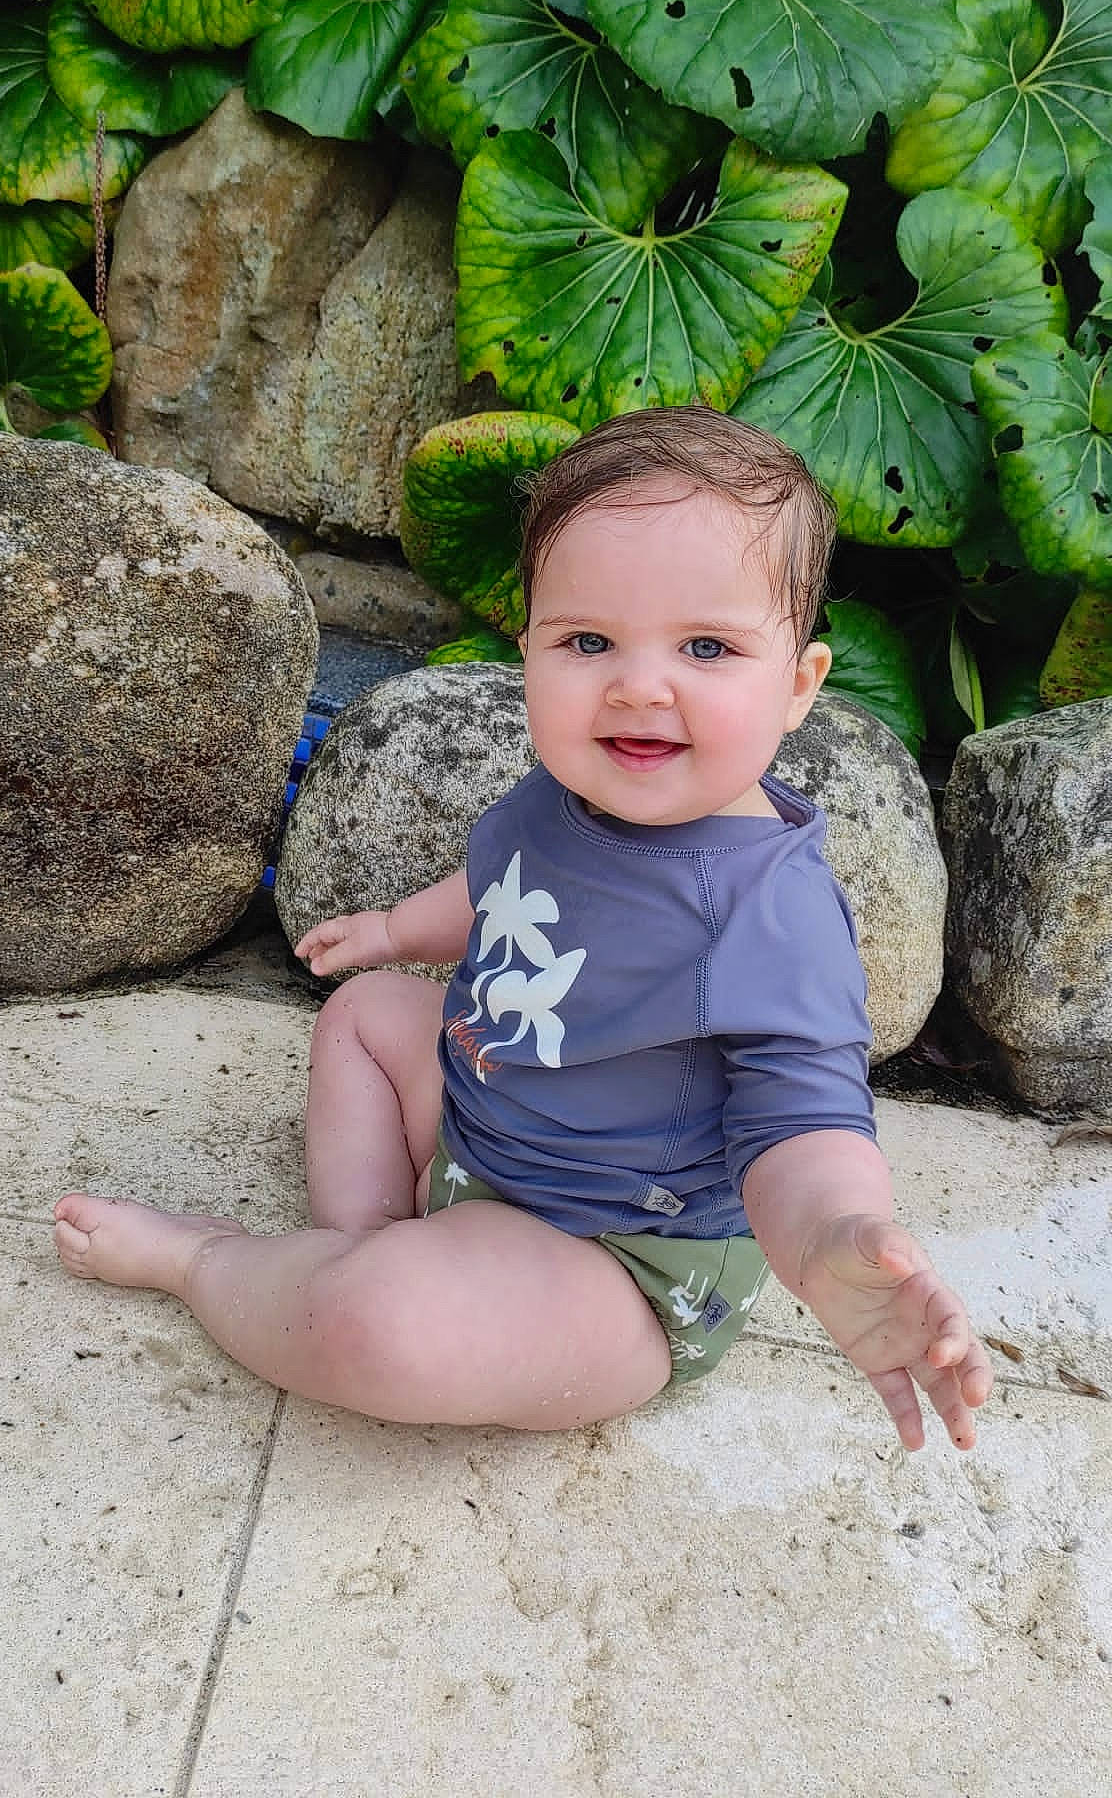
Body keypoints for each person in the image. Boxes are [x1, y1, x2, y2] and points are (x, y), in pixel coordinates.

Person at [53, 407, 993, 1448]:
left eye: (708, 646)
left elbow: (805, 1124)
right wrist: (394, 929)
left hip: (615, 1260)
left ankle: (215, 1263)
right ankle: (356, 1245)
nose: (639, 684)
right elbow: (502, 889)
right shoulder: (572, 786)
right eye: (588, 640)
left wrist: (838, 1238)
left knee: (383, 1327)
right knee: (365, 1017)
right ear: (529, 643)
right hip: (476, 1120)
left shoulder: (769, 913)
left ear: (797, 686)